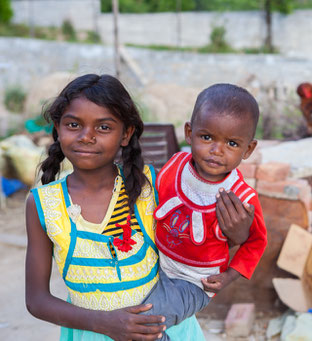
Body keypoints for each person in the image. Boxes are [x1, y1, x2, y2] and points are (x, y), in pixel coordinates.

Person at [25, 74, 249, 341]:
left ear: (126, 134)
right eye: (73, 125)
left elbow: (204, 246)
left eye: (103, 127)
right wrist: (105, 324)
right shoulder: (43, 204)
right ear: (58, 129)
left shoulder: (152, 186)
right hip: (94, 333)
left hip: (170, 332)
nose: (87, 137)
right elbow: (36, 300)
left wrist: (239, 233)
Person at [141, 83, 267, 338]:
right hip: (157, 264)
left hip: (194, 282)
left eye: (232, 143)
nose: (216, 150)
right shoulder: (175, 166)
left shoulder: (241, 198)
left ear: (248, 150)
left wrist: (229, 276)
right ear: (189, 133)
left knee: (142, 324)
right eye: (207, 137)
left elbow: (257, 242)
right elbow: (151, 199)